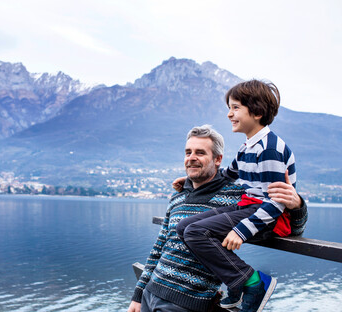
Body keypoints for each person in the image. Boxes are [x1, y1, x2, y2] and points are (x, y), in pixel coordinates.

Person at [128, 125, 307, 312]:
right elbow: (158, 248)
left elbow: (292, 229)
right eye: (188, 152)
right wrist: (138, 295)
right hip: (150, 294)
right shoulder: (178, 197)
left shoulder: (238, 198)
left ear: (218, 159)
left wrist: (297, 205)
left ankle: (251, 284)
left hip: (187, 304)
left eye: (200, 153)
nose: (192, 158)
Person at [176, 80, 296, 312]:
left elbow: (277, 201)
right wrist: (190, 180)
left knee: (197, 232)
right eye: (229, 108)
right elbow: (227, 176)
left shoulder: (269, 149)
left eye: (236, 107)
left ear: (258, 112)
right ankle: (236, 282)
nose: (229, 114)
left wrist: (241, 230)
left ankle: (252, 283)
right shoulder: (247, 147)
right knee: (184, 228)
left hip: (269, 215)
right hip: (249, 207)